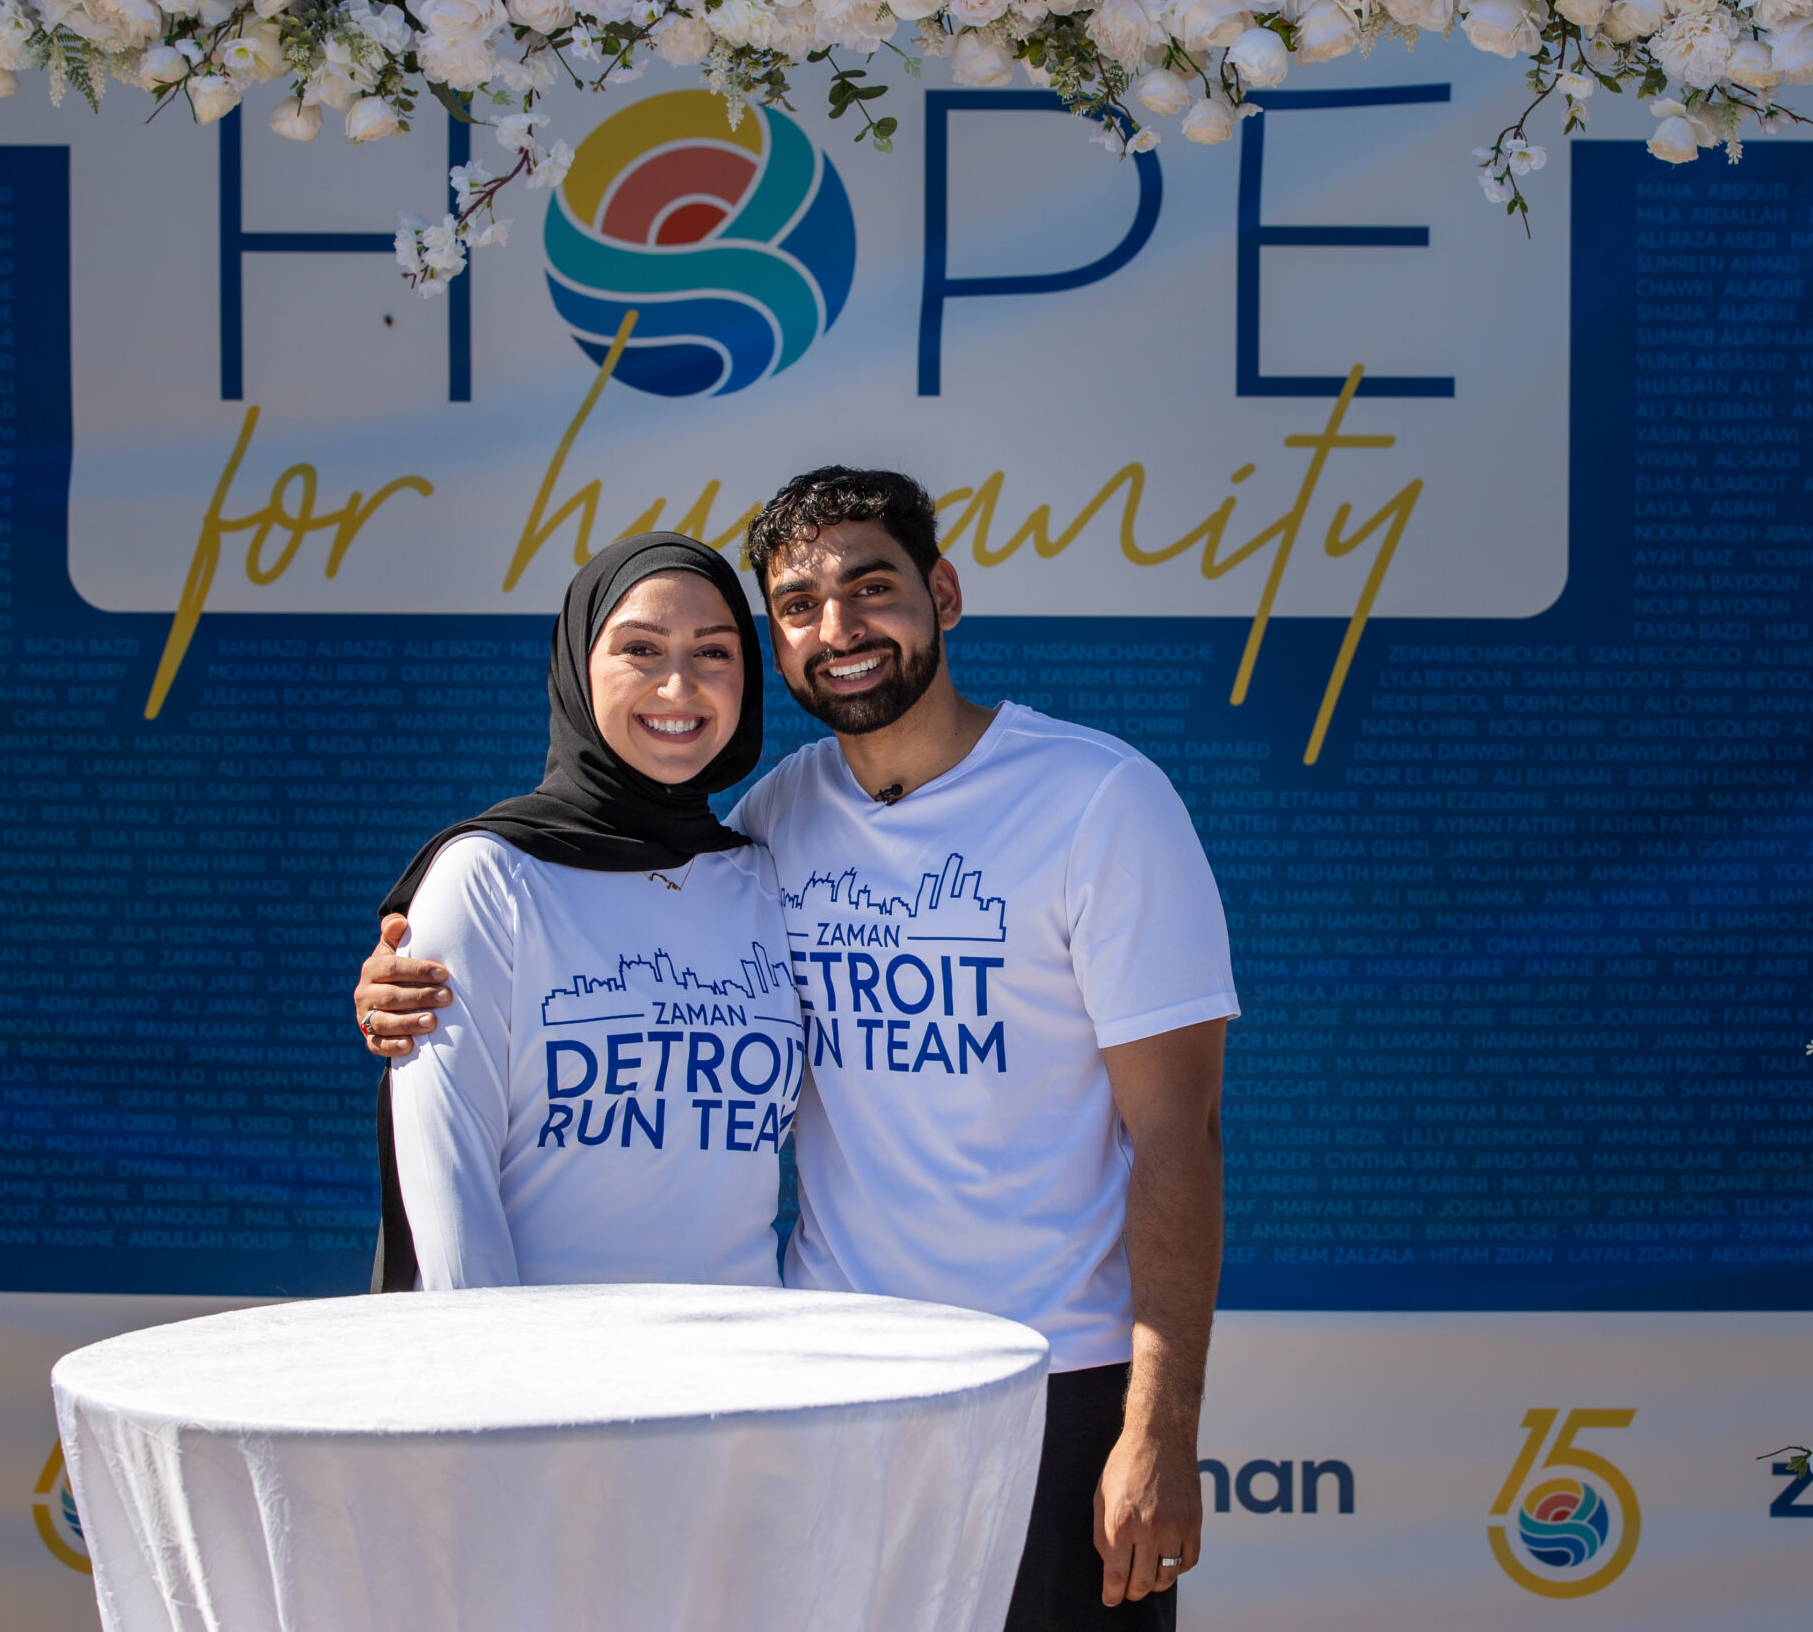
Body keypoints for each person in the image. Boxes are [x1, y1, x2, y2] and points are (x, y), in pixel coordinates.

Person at [356, 471, 1234, 1630]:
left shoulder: (1101, 801)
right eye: (800, 606)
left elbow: (1179, 1133)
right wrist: (404, 991)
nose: (841, 630)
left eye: (873, 588)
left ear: (945, 593)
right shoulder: (769, 823)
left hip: (1046, 1385)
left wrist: (1161, 1432)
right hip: (832, 1385)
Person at [365, 533, 798, 1294]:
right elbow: (447, 1191)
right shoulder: (490, 877)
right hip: (550, 1385)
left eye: (713, 652)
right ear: (576, 667)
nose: (678, 686)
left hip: (741, 1379)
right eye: (641, 648)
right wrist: (506, 1395)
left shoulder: (765, 876)